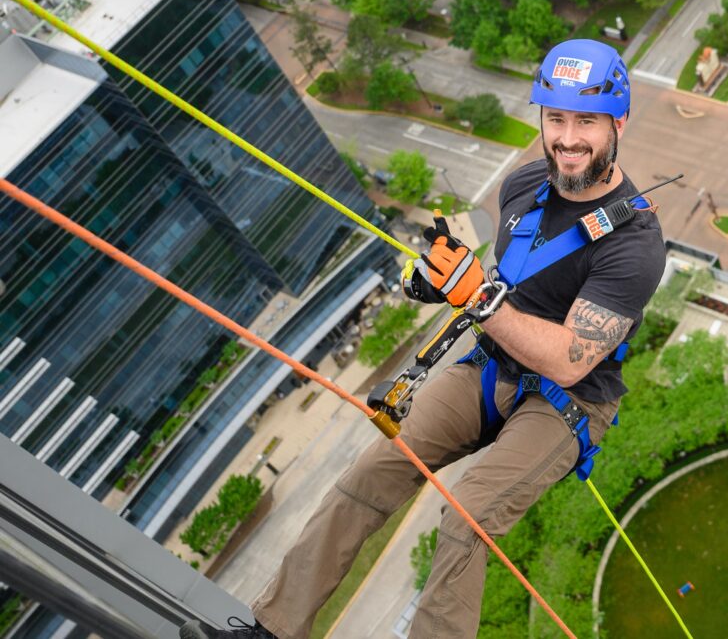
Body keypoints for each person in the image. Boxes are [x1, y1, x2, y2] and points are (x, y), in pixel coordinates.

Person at [181, 39, 666, 639]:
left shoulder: (635, 243)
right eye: (556, 118)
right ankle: (273, 629)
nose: (567, 138)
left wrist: (477, 300)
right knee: (372, 472)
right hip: (494, 365)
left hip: (569, 401)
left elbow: (570, 360)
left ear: (619, 121)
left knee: (466, 518)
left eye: (586, 121)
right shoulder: (522, 189)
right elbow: (510, 282)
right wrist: (443, 280)